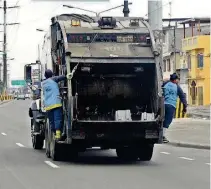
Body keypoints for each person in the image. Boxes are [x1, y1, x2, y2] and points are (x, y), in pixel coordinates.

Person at [42, 69, 68, 140]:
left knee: (52, 120)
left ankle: (54, 133)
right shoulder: (53, 79)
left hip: (48, 106)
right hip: (56, 103)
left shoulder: (43, 83)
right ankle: (58, 135)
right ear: (51, 75)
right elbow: (62, 77)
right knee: (57, 119)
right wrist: (67, 75)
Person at [162, 73, 187, 143]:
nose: (178, 81)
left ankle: (160, 133)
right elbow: (182, 97)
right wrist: (185, 107)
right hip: (171, 105)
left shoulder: (165, 84)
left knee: (161, 119)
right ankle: (162, 136)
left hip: (163, 104)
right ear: (175, 80)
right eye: (177, 79)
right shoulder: (177, 87)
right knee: (168, 120)